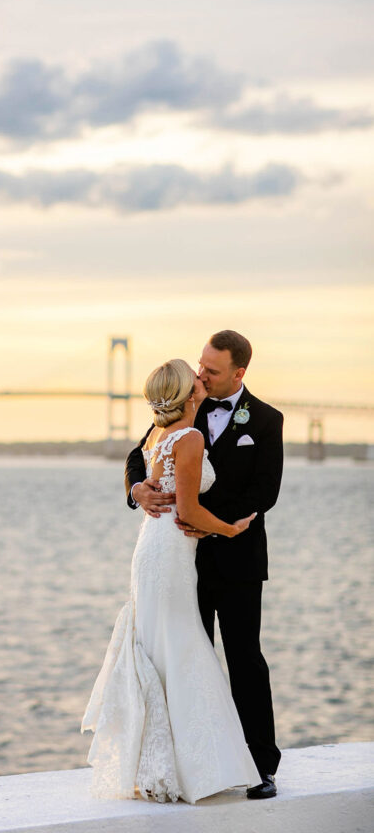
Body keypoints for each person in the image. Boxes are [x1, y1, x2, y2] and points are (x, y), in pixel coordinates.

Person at [82, 358, 261, 803]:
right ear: (187, 393)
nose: (202, 378)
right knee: (182, 645)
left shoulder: (161, 433)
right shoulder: (190, 436)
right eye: (195, 376)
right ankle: (194, 767)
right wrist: (230, 528)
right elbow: (188, 512)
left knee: (165, 646)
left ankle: (162, 764)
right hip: (171, 550)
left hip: (153, 549)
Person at [125, 330, 282, 801]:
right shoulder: (180, 410)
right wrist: (137, 489)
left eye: (212, 371)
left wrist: (211, 522)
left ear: (240, 372)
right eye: (200, 365)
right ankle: (185, 763)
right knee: (185, 657)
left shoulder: (268, 420)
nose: (201, 375)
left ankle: (260, 765)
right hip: (178, 562)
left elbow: (264, 493)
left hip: (236, 562)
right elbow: (140, 454)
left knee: (243, 660)